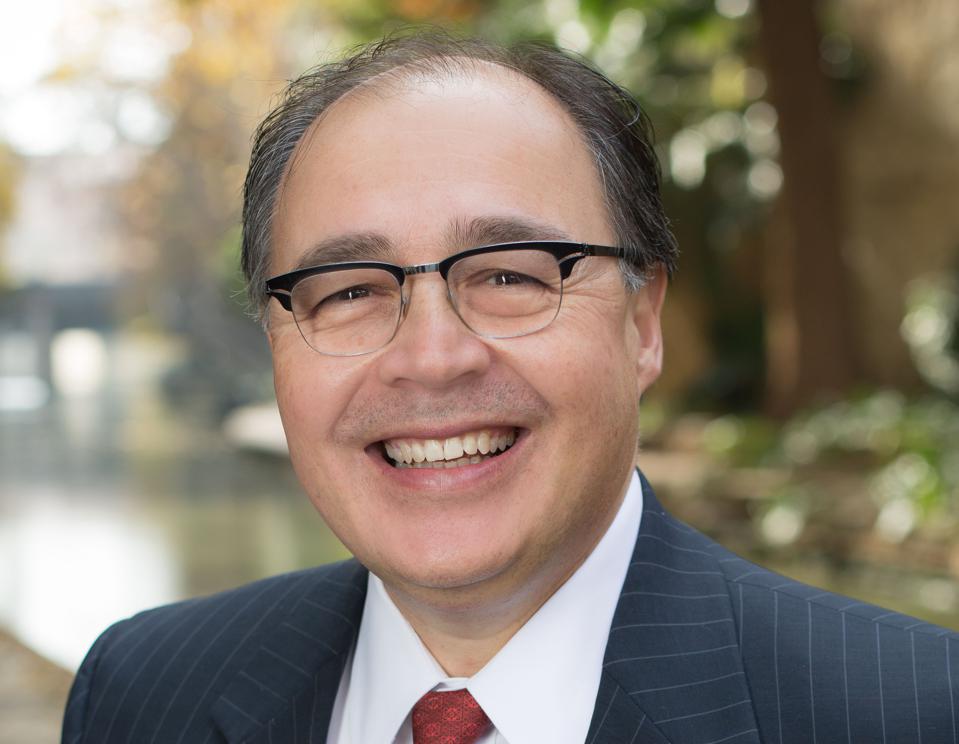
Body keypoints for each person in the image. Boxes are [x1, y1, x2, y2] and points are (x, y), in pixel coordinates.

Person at [62, 31, 958, 744]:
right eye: (348, 292)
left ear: (640, 326)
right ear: (276, 345)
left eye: (508, 276)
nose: (432, 355)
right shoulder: (143, 692)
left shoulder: (907, 711)